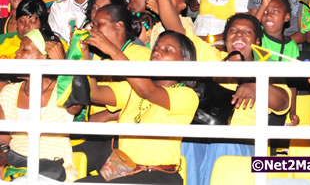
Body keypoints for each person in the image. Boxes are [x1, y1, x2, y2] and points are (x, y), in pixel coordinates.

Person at [77, 30, 199, 184]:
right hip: (124, 170)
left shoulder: (187, 96)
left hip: (158, 175)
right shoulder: (133, 88)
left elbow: (148, 91)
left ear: (185, 61)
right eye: (155, 49)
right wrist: (84, 52)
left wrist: (113, 51)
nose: (156, 53)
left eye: (167, 50)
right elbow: (95, 93)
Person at [0, 28, 79, 182]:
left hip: (53, 171)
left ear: (44, 57)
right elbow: (3, 141)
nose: (17, 53)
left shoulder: (61, 90)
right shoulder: (9, 92)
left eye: (24, 50)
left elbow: (76, 104)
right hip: (17, 168)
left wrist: (61, 65)